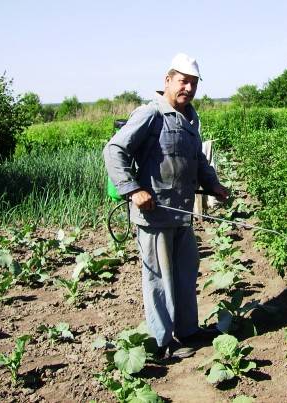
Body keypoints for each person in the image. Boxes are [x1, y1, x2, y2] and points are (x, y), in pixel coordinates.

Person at [103, 53, 229, 359]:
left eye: (193, 83)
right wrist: (133, 189)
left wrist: (213, 183)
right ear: (168, 80)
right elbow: (114, 149)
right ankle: (162, 342)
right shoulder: (151, 114)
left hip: (182, 213)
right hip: (155, 215)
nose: (188, 88)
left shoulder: (190, 118)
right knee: (159, 279)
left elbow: (197, 158)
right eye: (183, 81)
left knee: (187, 273)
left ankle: (187, 330)